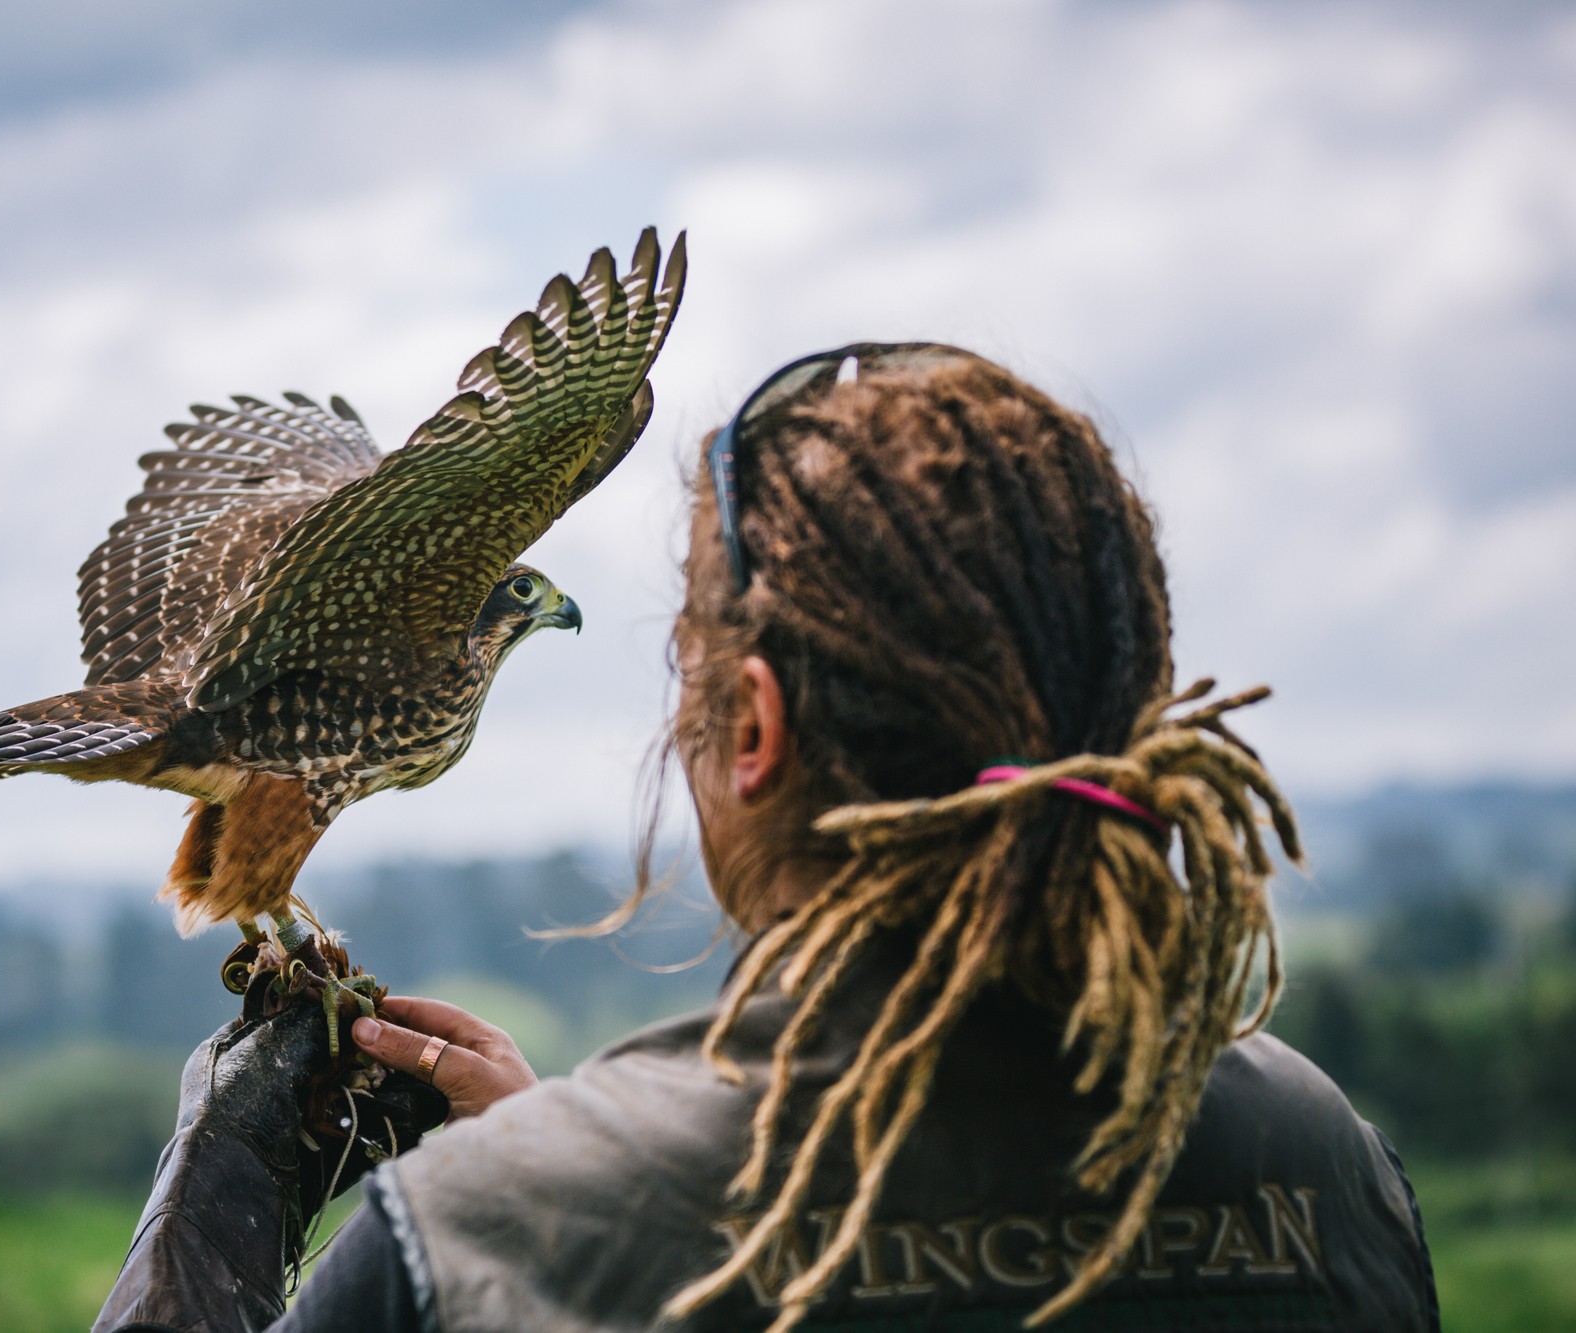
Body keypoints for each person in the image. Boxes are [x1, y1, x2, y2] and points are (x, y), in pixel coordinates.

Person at [94, 344, 1440, 1333]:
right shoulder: (1333, 1170)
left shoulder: (468, 1256)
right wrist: (560, 1148)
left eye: (687, 655)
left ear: (753, 725)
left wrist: (221, 1200)